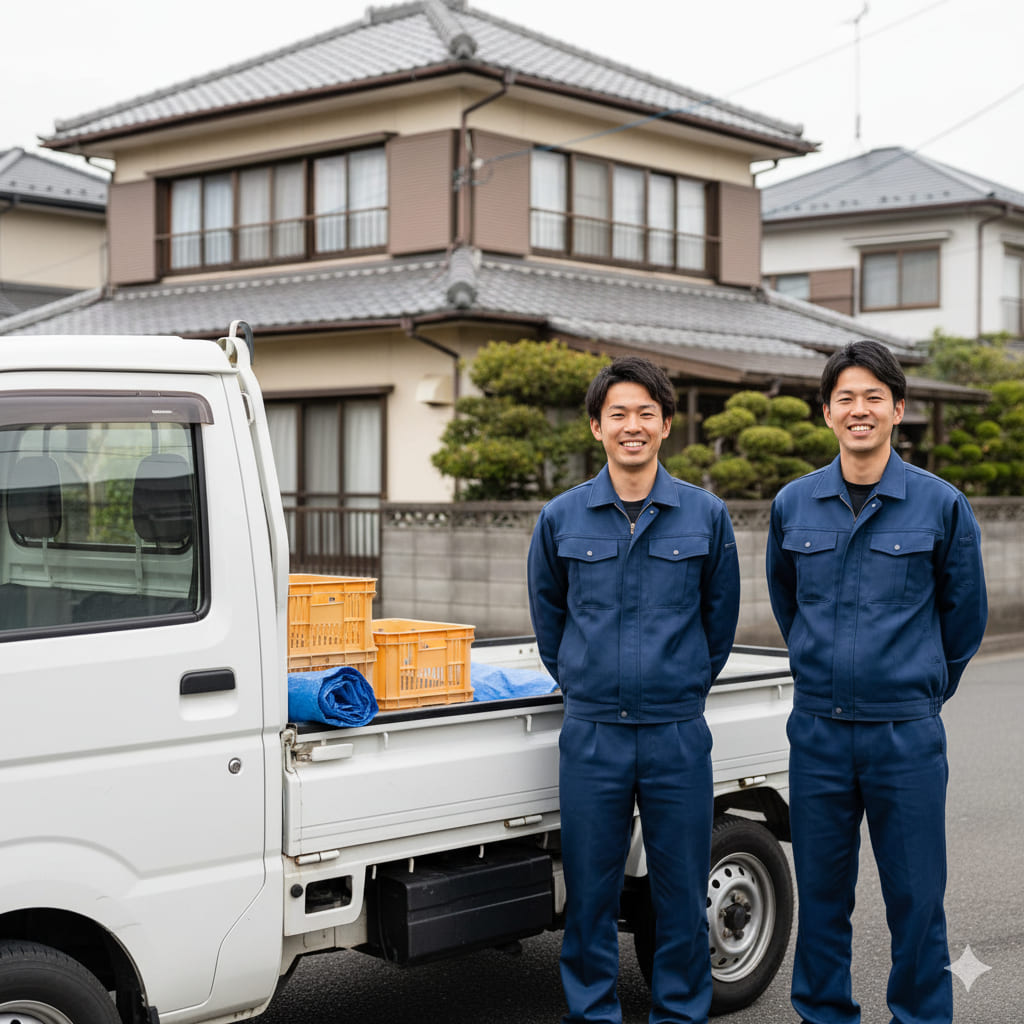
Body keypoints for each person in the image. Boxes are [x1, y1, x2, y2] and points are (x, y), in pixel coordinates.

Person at [766, 340, 988, 1024]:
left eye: (873, 398)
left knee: (917, 898)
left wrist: (916, 688)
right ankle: (825, 1013)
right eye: (845, 398)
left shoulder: (940, 505)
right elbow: (787, 602)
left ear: (898, 409)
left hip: (905, 733)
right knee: (824, 896)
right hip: (820, 731)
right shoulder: (795, 504)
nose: (858, 410)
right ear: (826, 412)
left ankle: (921, 1016)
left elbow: (965, 619)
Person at [527, 355, 740, 1024]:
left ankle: (680, 1013)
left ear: (667, 426)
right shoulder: (562, 519)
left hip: (678, 730)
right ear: (596, 427)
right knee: (590, 895)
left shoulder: (704, 516)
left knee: (679, 894)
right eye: (618, 413)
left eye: (646, 413)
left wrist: (681, 685)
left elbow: (720, 620)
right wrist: (586, 683)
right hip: (594, 732)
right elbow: (549, 615)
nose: (632, 426)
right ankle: (593, 1013)